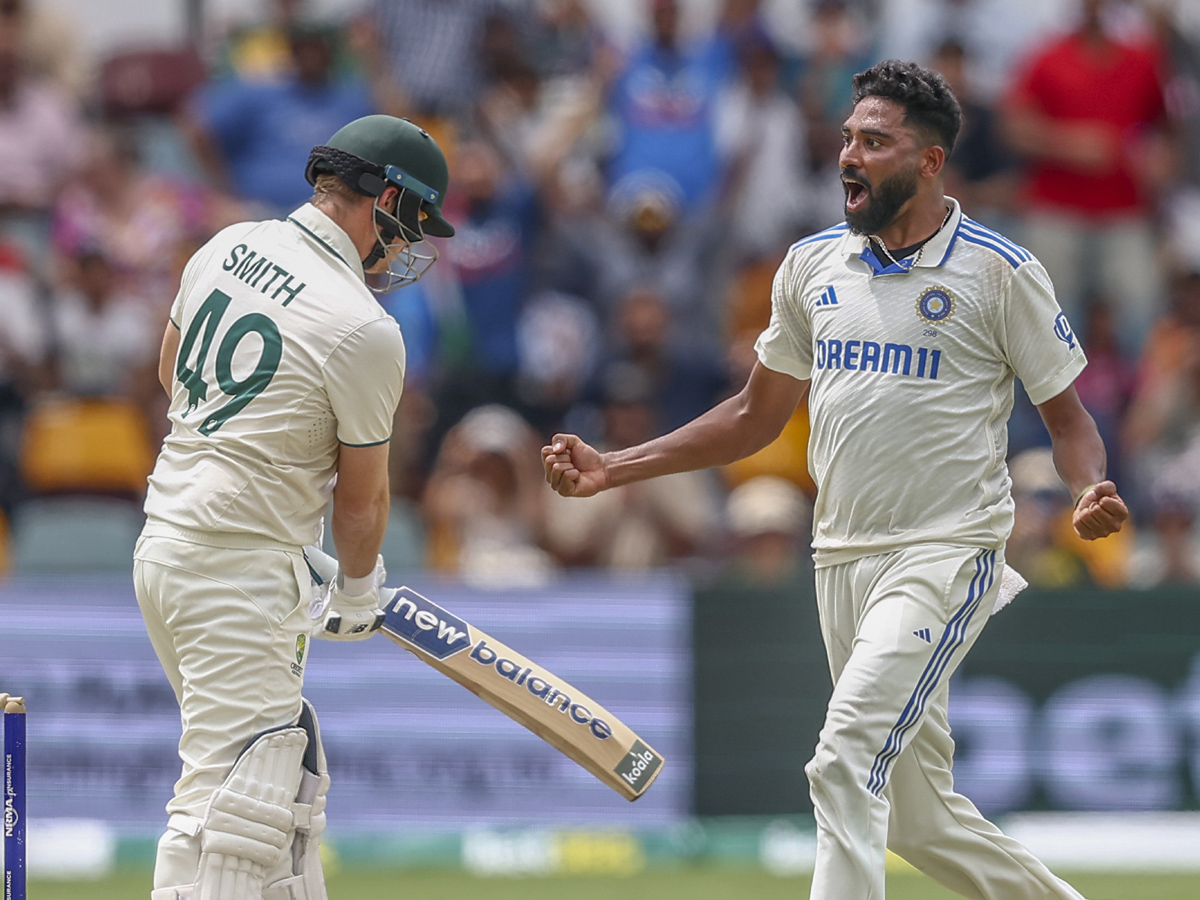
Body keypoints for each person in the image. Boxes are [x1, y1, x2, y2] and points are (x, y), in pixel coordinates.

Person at [543, 60, 1128, 900]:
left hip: (945, 550)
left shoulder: (1000, 272)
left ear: (929, 162)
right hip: (839, 556)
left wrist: (1087, 488)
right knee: (921, 821)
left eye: (876, 142)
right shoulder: (810, 267)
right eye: (849, 138)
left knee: (844, 760)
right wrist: (615, 468)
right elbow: (753, 416)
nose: (850, 155)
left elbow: (1068, 420)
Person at [133, 113, 455, 900]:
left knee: (284, 799)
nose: (412, 246)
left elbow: (171, 371)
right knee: (229, 805)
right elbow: (363, 493)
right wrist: (355, 588)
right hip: (236, 573)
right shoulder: (363, 328)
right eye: (414, 222)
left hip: (167, 547)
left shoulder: (227, 245)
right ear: (384, 198)